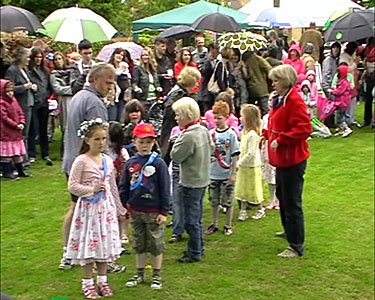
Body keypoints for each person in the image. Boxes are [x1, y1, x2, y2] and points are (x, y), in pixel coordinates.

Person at [60, 63, 114, 270]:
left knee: (75, 209)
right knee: (93, 213)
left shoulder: (78, 96)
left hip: (71, 160)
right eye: (108, 82)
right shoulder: (94, 102)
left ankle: (68, 253)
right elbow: (100, 138)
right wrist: (107, 165)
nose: (110, 87)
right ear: (95, 80)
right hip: (88, 166)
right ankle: (97, 257)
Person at [66, 119, 123, 299]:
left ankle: (103, 280)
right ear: (87, 140)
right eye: (97, 139)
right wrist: (91, 190)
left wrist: (119, 208)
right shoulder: (81, 161)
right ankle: (87, 283)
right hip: (89, 211)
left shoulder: (107, 160)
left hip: (105, 210)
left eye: (104, 139)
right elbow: (72, 185)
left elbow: (112, 185)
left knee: (103, 246)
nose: (101, 143)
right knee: (90, 246)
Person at [265, 64, 312, 257]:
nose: (273, 84)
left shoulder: (294, 100)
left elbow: (304, 128)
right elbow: (276, 121)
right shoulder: (281, 99)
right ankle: (289, 230)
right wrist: (267, 134)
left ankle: (296, 244)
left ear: (285, 81)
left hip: (292, 159)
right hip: (282, 159)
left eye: (276, 80)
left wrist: (282, 140)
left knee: (292, 202)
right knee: (283, 197)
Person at [119, 123, 171, 290]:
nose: (145, 145)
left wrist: (164, 211)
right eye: (141, 142)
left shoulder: (159, 163)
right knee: (139, 243)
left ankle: (157, 275)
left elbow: (165, 188)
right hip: (135, 210)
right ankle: (139, 273)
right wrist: (124, 205)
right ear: (134, 141)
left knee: (156, 244)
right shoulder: (130, 163)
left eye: (148, 142)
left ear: (153, 143)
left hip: (154, 211)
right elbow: (124, 186)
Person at [170, 97, 214, 263]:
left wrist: (176, 141)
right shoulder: (203, 130)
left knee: (191, 220)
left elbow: (176, 155)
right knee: (197, 217)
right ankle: (198, 247)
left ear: (187, 115)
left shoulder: (188, 135)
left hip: (191, 181)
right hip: (202, 179)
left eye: (178, 115)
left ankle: (194, 252)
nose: (176, 118)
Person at [205, 101, 240, 236]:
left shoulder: (231, 134)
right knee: (213, 201)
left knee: (228, 201)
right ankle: (214, 223)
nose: (216, 121)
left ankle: (228, 224)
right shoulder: (210, 134)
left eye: (219, 118)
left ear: (226, 117)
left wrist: (233, 173)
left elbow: (235, 154)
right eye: (215, 117)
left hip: (226, 173)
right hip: (213, 173)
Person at [159, 66, 201, 164]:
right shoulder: (178, 94)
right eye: (196, 81)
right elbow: (170, 112)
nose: (197, 84)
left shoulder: (177, 91)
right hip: (172, 131)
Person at [5, 47, 36, 164]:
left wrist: (33, 87)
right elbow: (9, 88)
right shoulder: (12, 70)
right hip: (20, 105)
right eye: (27, 57)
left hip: (29, 103)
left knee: (28, 133)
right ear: (21, 58)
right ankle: (21, 160)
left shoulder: (26, 70)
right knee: (22, 133)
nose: (29, 59)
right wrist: (25, 87)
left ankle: (24, 158)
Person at [235, 104, 265, 221]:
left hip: (252, 165)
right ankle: (243, 210)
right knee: (242, 187)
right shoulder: (244, 133)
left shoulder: (253, 135)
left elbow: (251, 153)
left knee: (254, 187)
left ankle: (260, 209)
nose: (240, 118)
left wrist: (239, 162)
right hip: (243, 165)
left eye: (242, 116)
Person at [0, 80, 31, 179]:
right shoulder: (2, 103)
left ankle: (20, 170)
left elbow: (20, 112)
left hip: (16, 132)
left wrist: (22, 122)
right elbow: (4, 118)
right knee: (7, 153)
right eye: (8, 91)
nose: (10, 93)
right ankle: (7, 172)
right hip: (6, 132)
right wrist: (15, 125)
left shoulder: (14, 100)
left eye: (11, 91)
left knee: (17, 152)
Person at [28, 47, 53, 166]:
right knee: (33, 128)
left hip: (44, 102)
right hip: (34, 102)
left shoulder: (45, 71)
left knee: (43, 128)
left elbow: (49, 87)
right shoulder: (29, 71)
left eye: (40, 57)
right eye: (36, 57)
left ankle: (45, 152)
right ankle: (32, 153)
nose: (38, 59)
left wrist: (47, 95)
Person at [108, 121, 131, 246]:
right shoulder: (104, 153)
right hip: (108, 184)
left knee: (123, 208)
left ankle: (124, 233)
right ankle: (112, 232)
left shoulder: (122, 152)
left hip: (121, 184)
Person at [50, 51, 73, 158]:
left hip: (73, 99)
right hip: (63, 101)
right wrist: (72, 89)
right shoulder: (53, 74)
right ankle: (64, 152)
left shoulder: (71, 71)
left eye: (60, 59)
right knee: (65, 126)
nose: (58, 61)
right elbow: (57, 89)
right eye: (56, 59)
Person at [132, 47, 162, 112]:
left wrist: (158, 87)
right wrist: (137, 88)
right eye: (143, 55)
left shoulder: (153, 69)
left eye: (146, 55)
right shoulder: (138, 69)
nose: (144, 57)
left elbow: (157, 82)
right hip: (143, 99)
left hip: (154, 99)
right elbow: (134, 83)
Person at [243, 49, 272, 116]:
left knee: (251, 112)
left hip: (250, 90)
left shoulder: (243, 60)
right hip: (262, 89)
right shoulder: (258, 59)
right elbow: (269, 70)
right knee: (266, 111)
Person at [328, 64, 354, 138]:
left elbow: (339, 91)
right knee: (339, 115)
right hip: (341, 101)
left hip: (342, 102)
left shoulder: (344, 82)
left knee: (340, 116)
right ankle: (341, 129)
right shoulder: (342, 81)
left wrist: (331, 91)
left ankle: (346, 129)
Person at [321, 41, 341, 127]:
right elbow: (326, 73)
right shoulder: (328, 60)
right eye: (334, 48)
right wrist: (329, 85)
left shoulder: (335, 60)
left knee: (332, 103)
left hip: (332, 84)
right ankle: (328, 122)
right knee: (330, 103)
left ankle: (330, 121)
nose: (336, 50)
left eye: (337, 48)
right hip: (328, 85)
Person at [108, 48, 130, 121]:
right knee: (112, 118)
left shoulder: (125, 69)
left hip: (123, 97)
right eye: (118, 54)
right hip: (112, 98)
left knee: (121, 119)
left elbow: (127, 84)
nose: (120, 56)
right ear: (114, 55)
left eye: (122, 55)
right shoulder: (109, 67)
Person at [198, 43, 220, 113]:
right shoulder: (206, 61)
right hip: (206, 92)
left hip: (215, 92)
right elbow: (204, 72)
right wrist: (209, 60)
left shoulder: (219, 61)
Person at [230, 48, 249, 114]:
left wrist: (243, 67)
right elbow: (232, 75)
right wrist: (237, 67)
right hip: (234, 89)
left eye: (236, 55)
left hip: (242, 89)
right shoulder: (229, 64)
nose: (234, 57)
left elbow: (246, 76)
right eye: (233, 55)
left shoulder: (241, 63)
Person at [362, 37, 375, 126]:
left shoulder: (367, 51)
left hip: (369, 77)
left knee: (368, 100)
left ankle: (367, 119)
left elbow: (364, 65)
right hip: (371, 77)